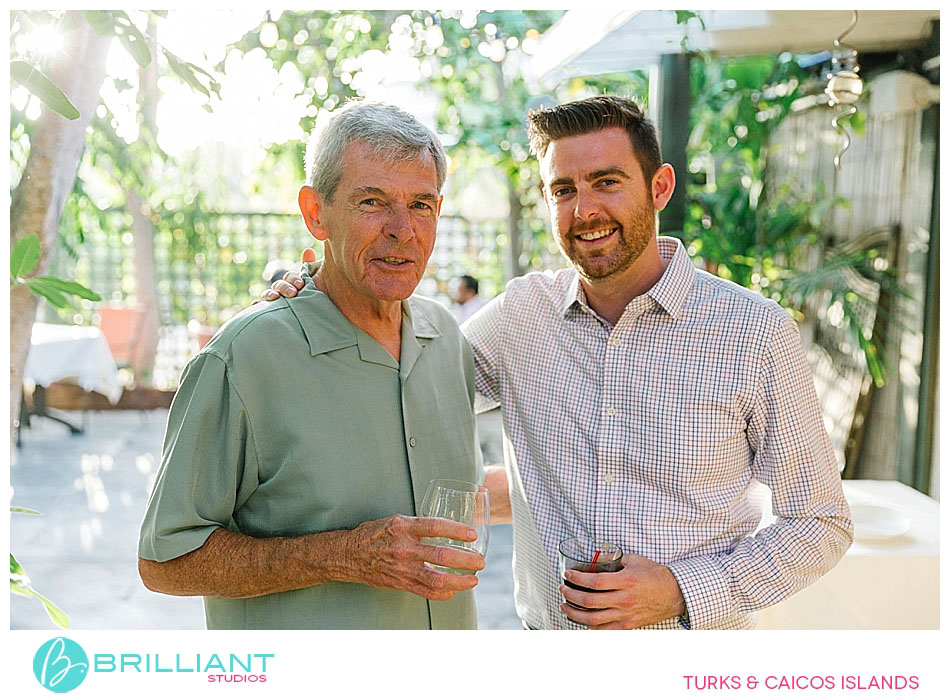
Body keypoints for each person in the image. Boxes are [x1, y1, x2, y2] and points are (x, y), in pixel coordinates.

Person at [265, 95, 853, 630]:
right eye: (563, 190)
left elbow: (821, 523)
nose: (585, 210)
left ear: (660, 187)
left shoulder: (754, 333)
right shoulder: (522, 317)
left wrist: (680, 589)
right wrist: (322, 291)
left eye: (607, 182)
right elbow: (404, 379)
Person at [138, 100, 488, 630]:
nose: (403, 230)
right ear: (315, 213)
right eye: (372, 201)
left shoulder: (446, 339)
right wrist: (343, 554)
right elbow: (165, 561)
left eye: (421, 204)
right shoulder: (244, 358)